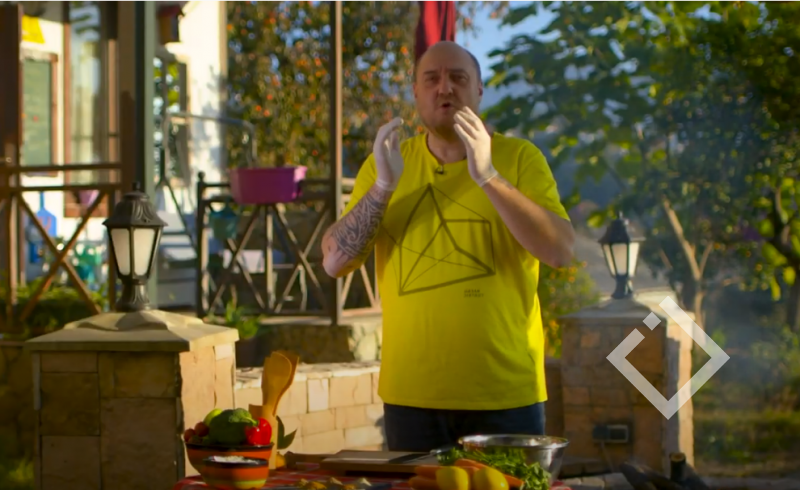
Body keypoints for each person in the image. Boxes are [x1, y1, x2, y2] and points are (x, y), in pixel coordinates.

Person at [320, 41, 576, 452]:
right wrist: (383, 186)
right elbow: (334, 262)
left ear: (479, 91)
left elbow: (561, 252)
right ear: (415, 92)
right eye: (431, 79)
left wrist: (488, 175)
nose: (445, 88)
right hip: (411, 399)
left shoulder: (519, 158)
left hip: (506, 396)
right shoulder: (386, 163)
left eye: (458, 78)